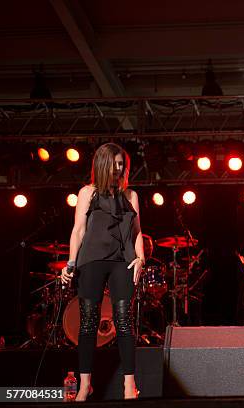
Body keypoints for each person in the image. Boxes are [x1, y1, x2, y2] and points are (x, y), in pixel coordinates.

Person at [60, 143, 144, 400]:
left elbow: (137, 231)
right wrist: (71, 263)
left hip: (123, 260)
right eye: (116, 163)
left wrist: (140, 258)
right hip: (92, 259)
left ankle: (129, 385)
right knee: (88, 321)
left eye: (122, 164)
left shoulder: (131, 195)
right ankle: (85, 384)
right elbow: (78, 230)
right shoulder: (88, 193)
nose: (119, 168)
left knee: (123, 319)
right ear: (104, 165)